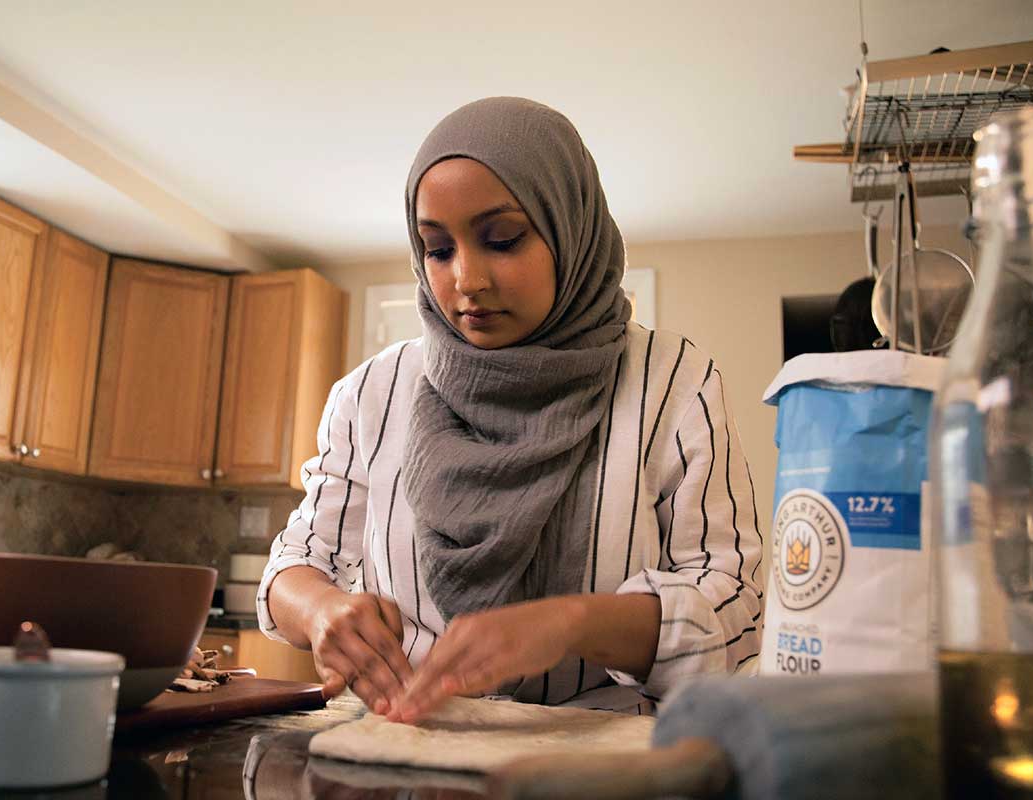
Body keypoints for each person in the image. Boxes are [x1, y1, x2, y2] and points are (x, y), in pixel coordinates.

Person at [259, 97, 763, 724]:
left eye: (502, 239)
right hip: (408, 753)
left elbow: (738, 606)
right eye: (437, 250)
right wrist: (319, 611)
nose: (467, 279)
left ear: (568, 227)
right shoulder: (371, 394)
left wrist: (577, 622)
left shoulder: (673, 383)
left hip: (600, 767)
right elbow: (296, 564)